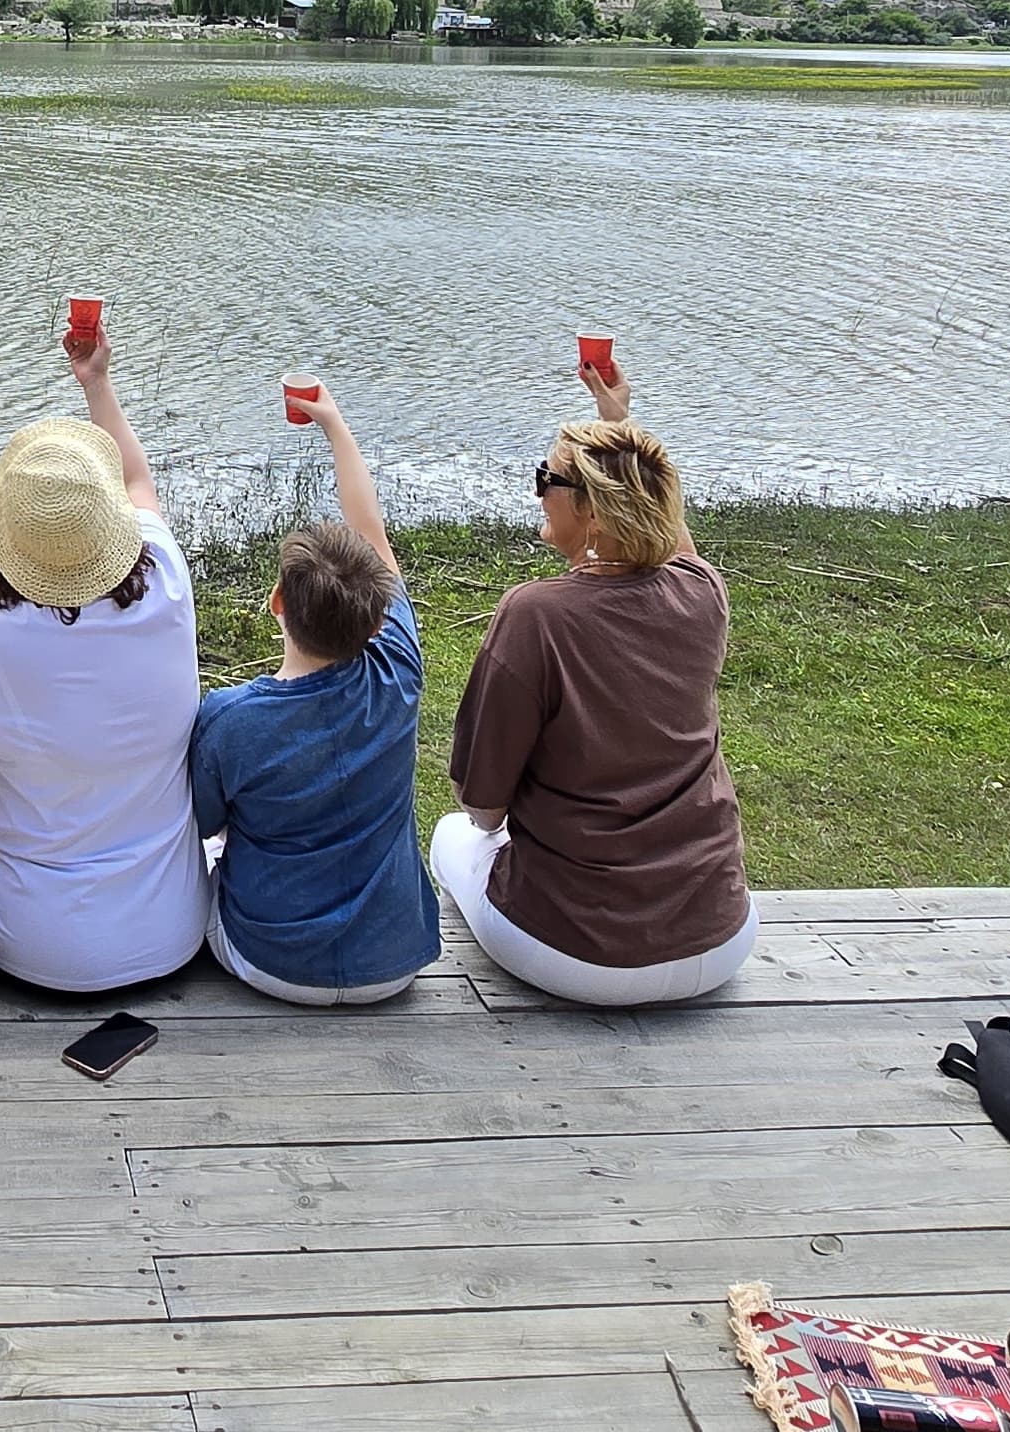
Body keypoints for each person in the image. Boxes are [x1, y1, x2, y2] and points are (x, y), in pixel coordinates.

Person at [431, 353, 756, 1006]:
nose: (537, 489)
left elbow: (483, 805)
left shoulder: (536, 616)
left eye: (545, 478)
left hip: (583, 954)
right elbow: (676, 541)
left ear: (596, 514)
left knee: (450, 836)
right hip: (721, 937)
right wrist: (619, 421)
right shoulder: (702, 593)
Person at [0, 318, 208, 994]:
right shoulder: (169, 583)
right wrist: (97, 382)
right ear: (111, 523)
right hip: (170, 932)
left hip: (22, 942)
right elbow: (140, 479)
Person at [190, 380, 440, 1006]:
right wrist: (335, 426)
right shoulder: (396, 672)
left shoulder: (229, 720)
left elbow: (204, 824)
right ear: (380, 618)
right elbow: (374, 539)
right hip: (393, 964)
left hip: (268, 961)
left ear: (276, 604)